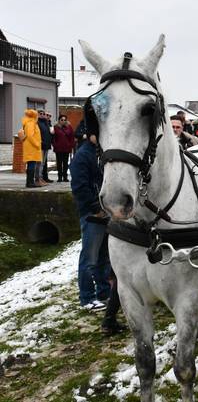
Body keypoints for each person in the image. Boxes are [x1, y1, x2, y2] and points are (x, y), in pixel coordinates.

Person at [69, 132, 111, 313]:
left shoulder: (99, 152)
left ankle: (104, 292)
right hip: (92, 214)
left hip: (105, 212)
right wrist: (95, 208)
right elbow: (79, 187)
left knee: (103, 257)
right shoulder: (82, 156)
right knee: (89, 258)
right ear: (88, 135)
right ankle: (87, 297)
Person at [20, 109, 43, 188]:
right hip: (31, 147)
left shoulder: (31, 123)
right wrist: (37, 144)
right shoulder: (31, 123)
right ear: (34, 116)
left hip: (31, 147)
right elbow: (30, 135)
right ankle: (30, 182)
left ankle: (30, 182)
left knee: (31, 164)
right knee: (31, 165)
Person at [52, 115, 75, 182]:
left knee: (65, 163)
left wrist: (71, 145)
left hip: (66, 148)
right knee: (59, 163)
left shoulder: (69, 127)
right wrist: (55, 145)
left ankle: (65, 177)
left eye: (65, 120)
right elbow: (53, 138)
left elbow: (72, 137)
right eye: (62, 120)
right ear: (59, 120)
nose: (63, 121)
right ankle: (59, 177)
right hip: (58, 148)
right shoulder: (55, 127)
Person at [37, 110, 54, 184]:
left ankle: (42, 178)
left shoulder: (46, 123)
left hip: (46, 145)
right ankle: (38, 178)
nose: (43, 115)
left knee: (43, 163)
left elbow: (48, 134)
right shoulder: (37, 122)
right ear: (37, 114)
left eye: (44, 114)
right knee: (40, 163)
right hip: (40, 145)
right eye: (41, 113)